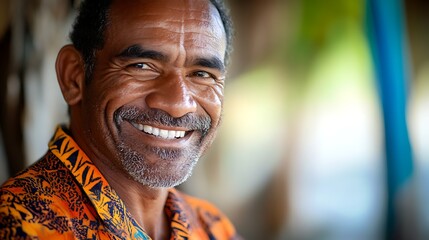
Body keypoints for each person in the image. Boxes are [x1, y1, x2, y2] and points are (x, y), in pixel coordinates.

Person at [0, 0, 239, 239]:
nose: (178, 105)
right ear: (74, 76)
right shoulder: (21, 223)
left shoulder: (212, 227)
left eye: (202, 74)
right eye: (143, 66)